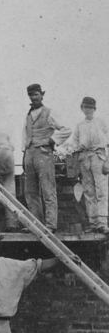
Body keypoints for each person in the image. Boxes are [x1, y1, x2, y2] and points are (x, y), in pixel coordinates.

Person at [21, 84, 72, 232]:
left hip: (44, 153)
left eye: (36, 94)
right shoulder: (28, 115)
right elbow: (25, 136)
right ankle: (36, 224)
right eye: (31, 95)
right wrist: (24, 153)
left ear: (42, 95)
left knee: (48, 189)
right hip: (30, 153)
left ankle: (50, 225)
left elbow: (66, 130)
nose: (33, 97)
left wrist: (52, 140)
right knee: (30, 191)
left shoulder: (49, 112)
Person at [69, 96, 109, 233]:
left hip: (99, 157)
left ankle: (102, 222)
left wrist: (107, 162)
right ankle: (92, 222)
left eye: (90, 107)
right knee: (88, 190)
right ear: (82, 108)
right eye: (85, 107)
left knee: (101, 190)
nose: (88, 110)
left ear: (94, 109)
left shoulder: (101, 123)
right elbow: (74, 144)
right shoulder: (79, 125)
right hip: (84, 158)